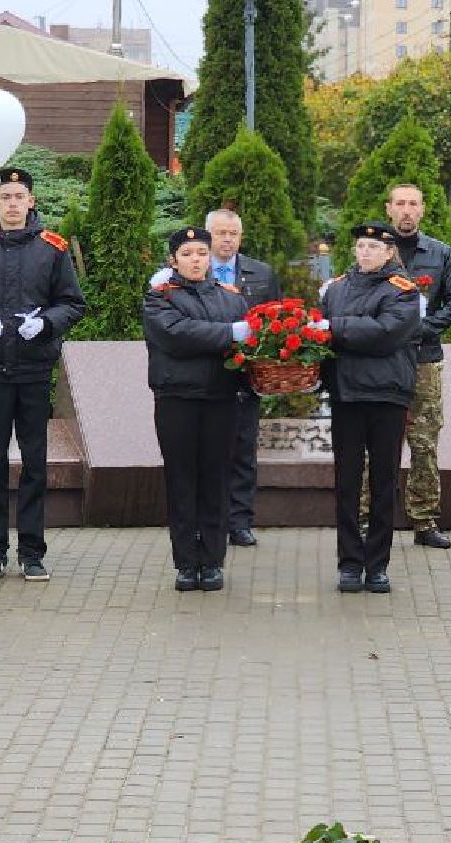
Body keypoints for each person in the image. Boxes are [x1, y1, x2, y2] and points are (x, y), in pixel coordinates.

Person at [0, 168, 86, 585]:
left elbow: (72, 303)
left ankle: (32, 552)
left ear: (31, 201)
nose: (11, 204)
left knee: (35, 464)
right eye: (4, 196)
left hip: (33, 369)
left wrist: (46, 324)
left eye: (19, 196)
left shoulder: (52, 249)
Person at [143, 226, 251, 592]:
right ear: (173, 259)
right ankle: (186, 562)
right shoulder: (160, 297)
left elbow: (245, 348)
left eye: (201, 254)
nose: (195, 260)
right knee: (182, 479)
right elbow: (176, 335)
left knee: (216, 479)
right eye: (187, 254)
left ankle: (213, 560)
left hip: (221, 399)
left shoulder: (233, 299)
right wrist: (227, 335)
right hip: (177, 399)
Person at [321, 223, 423, 594]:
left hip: (386, 396)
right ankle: (349, 563)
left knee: (384, 482)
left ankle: (377, 565)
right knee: (346, 482)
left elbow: (385, 334)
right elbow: (323, 340)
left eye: (372, 247)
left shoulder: (404, 291)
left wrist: (336, 328)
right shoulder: (335, 290)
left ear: (388, 253)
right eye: (360, 246)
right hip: (347, 395)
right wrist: (339, 332)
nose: (364, 253)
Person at [383, 182, 451, 550]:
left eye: (412, 204)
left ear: (422, 210)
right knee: (378, 442)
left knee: (424, 442)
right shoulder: (373, 250)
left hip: (423, 360)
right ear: (389, 209)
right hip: (381, 360)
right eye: (399, 203)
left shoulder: (440, 252)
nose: (405, 210)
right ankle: (370, 518)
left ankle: (424, 520)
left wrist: (419, 330)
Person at [202, 209, 280, 547]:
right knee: (207, 451)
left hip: (247, 375)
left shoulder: (260, 273)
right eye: (220, 233)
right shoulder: (193, 270)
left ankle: (240, 520)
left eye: (233, 233)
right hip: (205, 372)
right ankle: (208, 519)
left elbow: (276, 323)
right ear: (208, 236)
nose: (227, 239)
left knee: (243, 448)